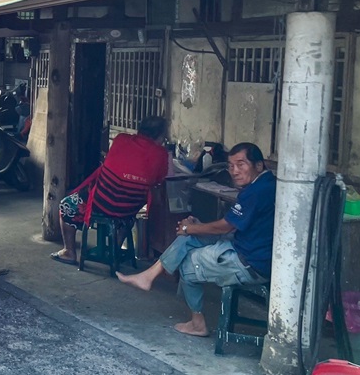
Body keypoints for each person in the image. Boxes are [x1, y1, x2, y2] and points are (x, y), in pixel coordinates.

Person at [116, 142, 276, 337]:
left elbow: (226, 225)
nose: (234, 171)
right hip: (245, 246)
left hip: (250, 262)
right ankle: (149, 276)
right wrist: (193, 229)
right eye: (231, 165)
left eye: (241, 164)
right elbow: (230, 225)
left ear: (258, 165)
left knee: (187, 264)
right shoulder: (264, 184)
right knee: (189, 237)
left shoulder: (258, 191)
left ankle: (198, 323)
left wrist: (190, 227)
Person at [50, 116, 171, 266]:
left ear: (140, 129)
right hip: (128, 210)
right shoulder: (161, 154)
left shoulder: (121, 139)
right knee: (129, 212)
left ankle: (69, 251)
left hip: (101, 203)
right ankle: (115, 249)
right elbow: (158, 180)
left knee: (66, 205)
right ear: (160, 135)